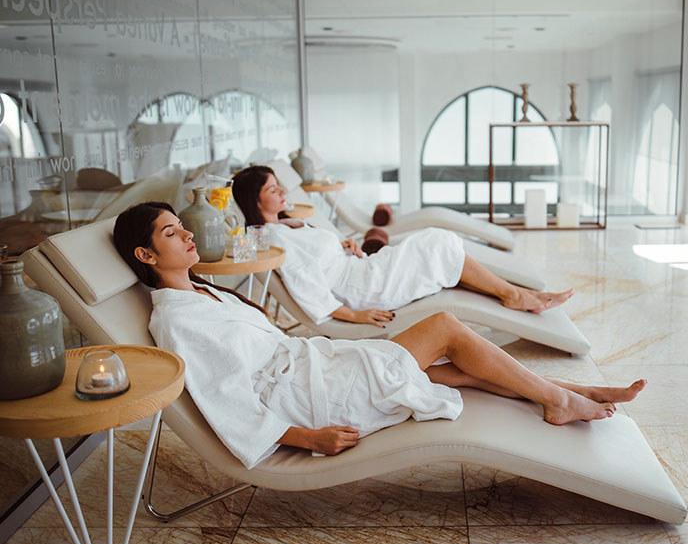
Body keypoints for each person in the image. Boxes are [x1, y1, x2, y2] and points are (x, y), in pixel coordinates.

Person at [112, 201, 645, 470]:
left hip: (315, 368)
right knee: (445, 328)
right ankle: (559, 399)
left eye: (182, 225)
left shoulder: (204, 293)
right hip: (310, 399)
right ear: (145, 254)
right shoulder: (177, 321)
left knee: (450, 371)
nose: (188, 233)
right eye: (171, 232)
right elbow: (224, 399)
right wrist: (306, 439)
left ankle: (569, 394)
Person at [232, 166, 574, 328]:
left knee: (435, 242)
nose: (283, 192)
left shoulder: (288, 224)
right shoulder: (272, 238)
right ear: (254, 201)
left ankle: (512, 293)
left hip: (359, 268)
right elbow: (306, 283)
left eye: (279, 186)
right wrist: (352, 315)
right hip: (361, 290)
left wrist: (343, 245)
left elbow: (318, 257)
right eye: (273, 190)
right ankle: (513, 294)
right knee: (437, 243)